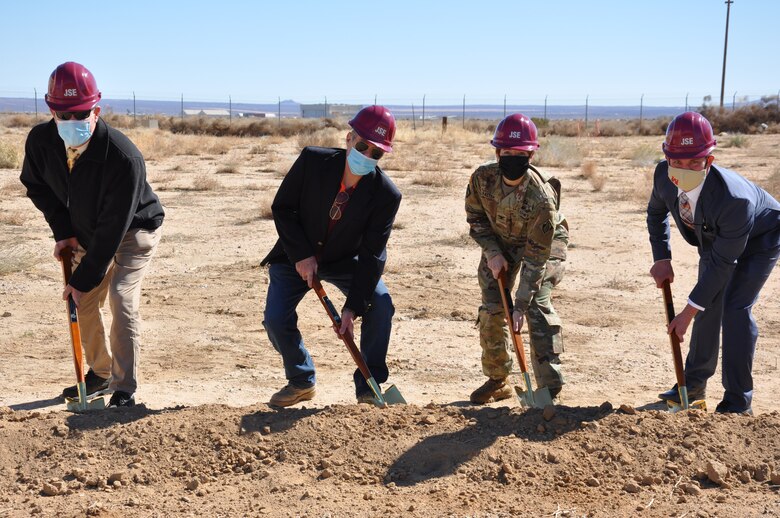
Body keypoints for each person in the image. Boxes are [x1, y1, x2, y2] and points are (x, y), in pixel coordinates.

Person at [20, 62, 165, 408]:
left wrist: (84, 276)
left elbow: (113, 228)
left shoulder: (122, 156)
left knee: (119, 296)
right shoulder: (40, 142)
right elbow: (35, 185)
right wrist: (64, 231)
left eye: (81, 113)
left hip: (134, 230)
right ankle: (100, 374)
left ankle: (124, 387)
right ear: (51, 110)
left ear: (96, 109)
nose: (72, 122)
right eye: (63, 114)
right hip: (86, 230)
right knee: (80, 300)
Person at [260, 105, 402, 407]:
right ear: (349, 138)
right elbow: (283, 208)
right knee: (275, 319)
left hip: (344, 259)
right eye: (363, 146)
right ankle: (300, 380)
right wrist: (301, 254)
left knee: (380, 304)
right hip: (295, 255)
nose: (367, 156)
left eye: (376, 153)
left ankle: (369, 386)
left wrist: (352, 307)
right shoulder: (313, 161)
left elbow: (373, 254)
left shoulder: (386, 195)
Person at [648, 111, 780, 415]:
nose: (684, 169)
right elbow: (655, 215)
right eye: (677, 162)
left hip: (760, 238)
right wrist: (662, 258)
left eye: (694, 162)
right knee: (707, 303)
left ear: (709, 160)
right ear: (667, 157)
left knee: (734, 307)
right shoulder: (663, 177)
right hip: (716, 237)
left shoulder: (735, 199)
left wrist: (686, 314)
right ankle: (692, 387)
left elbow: (723, 265)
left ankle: (737, 401)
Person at [465, 114, 569, 404]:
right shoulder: (482, 179)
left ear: (531, 154)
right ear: (497, 152)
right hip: (501, 242)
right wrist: (492, 252)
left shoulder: (541, 199)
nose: (512, 158)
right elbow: (476, 219)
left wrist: (520, 305)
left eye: (520, 154)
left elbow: (536, 259)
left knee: (536, 305)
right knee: (493, 306)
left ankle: (549, 388)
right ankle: (498, 380)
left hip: (544, 243)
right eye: (507, 153)